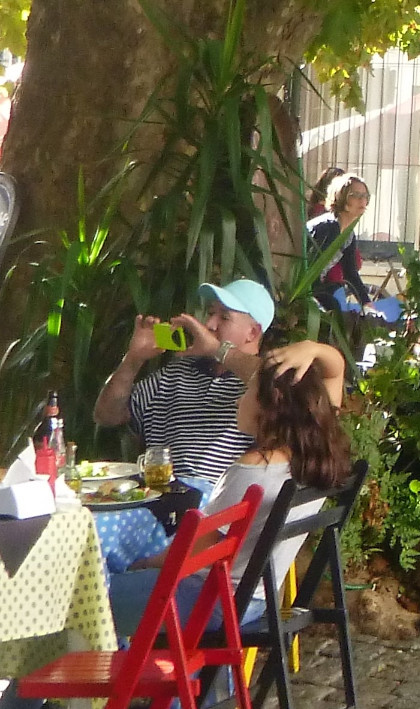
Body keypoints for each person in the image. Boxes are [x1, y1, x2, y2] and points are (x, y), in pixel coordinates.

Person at [106, 340, 350, 639]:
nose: (239, 400)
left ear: (269, 404)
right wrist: (313, 348)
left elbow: (187, 554)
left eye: (247, 391)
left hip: (208, 602)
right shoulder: (311, 458)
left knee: (80, 599)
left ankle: (90, 680)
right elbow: (334, 375)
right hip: (255, 600)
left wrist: (139, 565)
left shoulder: (253, 469)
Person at [90, 279, 309, 571]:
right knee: (84, 534)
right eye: (210, 313)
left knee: (92, 540)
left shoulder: (259, 388)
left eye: (223, 317)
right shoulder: (179, 371)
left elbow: (280, 385)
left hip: (209, 521)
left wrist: (220, 351)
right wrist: (133, 358)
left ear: (253, 332)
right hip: (156, 506)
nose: (209, 323)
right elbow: (106, 415)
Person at [306, 172, 372, 313]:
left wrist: (366, 303)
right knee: (333, 306)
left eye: (365, 196)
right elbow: (311, 271)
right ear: (341, 197)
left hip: (315, 286)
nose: (363, 201)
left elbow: (350, 272)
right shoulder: (330, 227)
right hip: (303, 287)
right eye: (356, 195)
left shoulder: (348, 233)